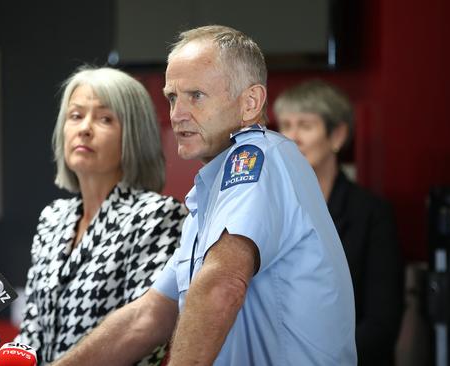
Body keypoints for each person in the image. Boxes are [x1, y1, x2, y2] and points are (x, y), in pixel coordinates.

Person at [52, 25, 356, 366]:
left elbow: (222, 285)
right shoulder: (210, 193)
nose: (177, 113)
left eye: (196, 95)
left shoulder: (257, 157)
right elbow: (149, 317)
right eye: (172, 97)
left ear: (251, 102)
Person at [15, 66, 188, 365]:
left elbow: (142, 335)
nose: (85, 128)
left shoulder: (157, 217)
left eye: (105, 118)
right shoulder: (52, 217)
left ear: (134, 135)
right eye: (76, 115)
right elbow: (31, 330)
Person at [274, 79, 404, 365]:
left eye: (305, 126)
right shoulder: (271, 208)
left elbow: (381, 323)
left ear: (337, 136)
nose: (292, 137)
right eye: (285, 125)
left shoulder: (371, 214)